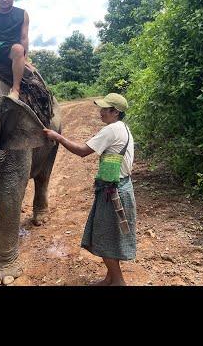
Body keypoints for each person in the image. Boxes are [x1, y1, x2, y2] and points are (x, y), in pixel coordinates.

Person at [42, 93, 136, 286]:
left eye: (105, 109)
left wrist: (57, 136)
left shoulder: (111, 130)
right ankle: (110, 278)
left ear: (115, 112)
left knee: (104, 236)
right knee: (110, 235)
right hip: (119, 187)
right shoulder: (122, 128)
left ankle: (118, 282)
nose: (100, 112)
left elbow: (82, 151)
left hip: (113, 192)